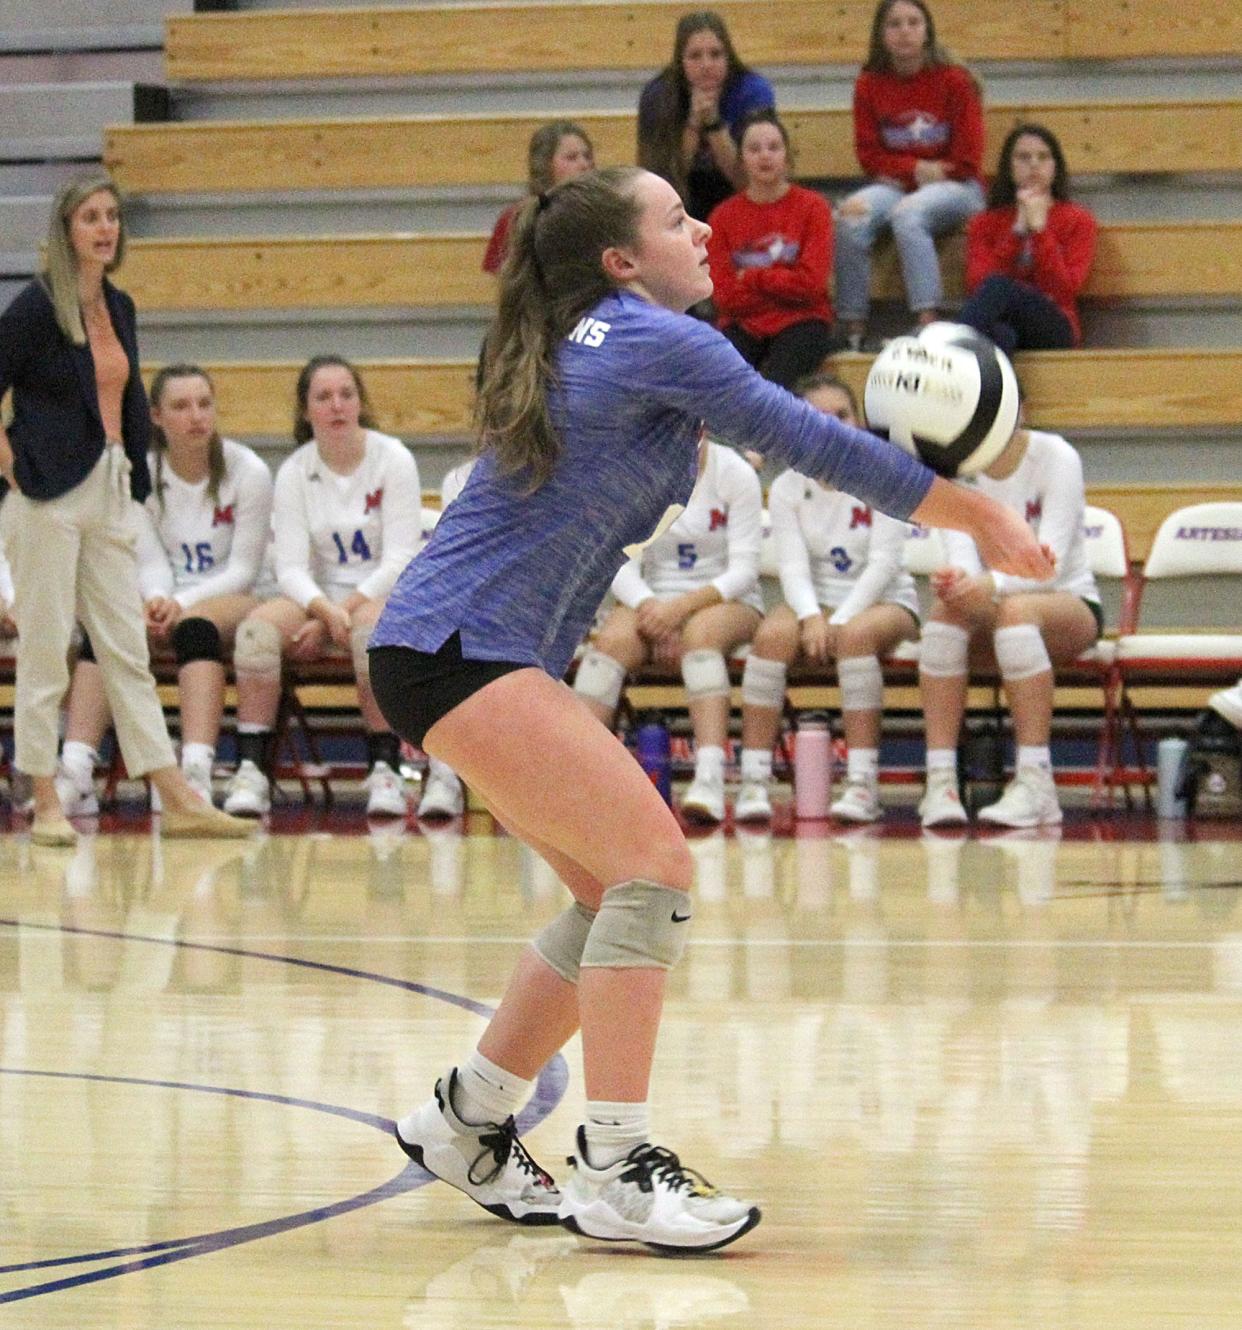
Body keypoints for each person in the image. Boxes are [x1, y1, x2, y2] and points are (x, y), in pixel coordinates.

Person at [364, 164, 1052, 1252]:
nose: (704, 229)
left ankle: (468, 1117)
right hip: (464, 650)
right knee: (656, 869)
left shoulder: (595, 336)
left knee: (610, 898)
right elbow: (812, 442)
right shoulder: (651, 338)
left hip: (449, 650)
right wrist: (974, 509)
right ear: (621, 262)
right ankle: (615, 1164)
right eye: (677, 219)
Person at [0, 174, 253, 845]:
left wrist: (135, 474)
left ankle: (175, 794)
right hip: (47, 493)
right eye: (91, 217)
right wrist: (9, 464)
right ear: (66, 229)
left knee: (125, 645)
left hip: (112, 485)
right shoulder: (33, 309)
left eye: (112, 216)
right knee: (47, 649)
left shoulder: (120, 305)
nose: (106, 228)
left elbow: (125, 397)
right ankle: (44, 797)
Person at [54, 364, 274, 814]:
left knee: (195, 627)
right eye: (181, 406)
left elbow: (244, 569)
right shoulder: (141, 474)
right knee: (109, 628)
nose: (196, 416)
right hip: (167, 594)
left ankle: (194, 768)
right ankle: (76, 769)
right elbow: (149, 559)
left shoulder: (246, 470)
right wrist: (156, 600)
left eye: (204, 404)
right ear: (156, 416)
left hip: (236, 597)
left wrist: (178, 604)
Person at [222, 355, 421, 820]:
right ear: (305, 410)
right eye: (323, 397)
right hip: (316, 597)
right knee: (256, 634)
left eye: (346, 395)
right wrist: (322, 611)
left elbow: (399, 559)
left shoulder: (393, 459)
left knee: (370, 634)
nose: (337, 406)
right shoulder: (294, 471)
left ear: (360, 403)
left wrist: (338, 614)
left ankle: (386, 770)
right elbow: (290, 568)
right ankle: (250, 767)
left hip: (377, 594)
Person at [735, 374, 920, 824]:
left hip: (884, 602)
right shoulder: (786, 487)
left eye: (843, 415)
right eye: (820, 418)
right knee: (772, 635)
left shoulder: (887, 471)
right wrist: (812, 615)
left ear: (858, 420)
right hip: (815, 602)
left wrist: (839, 620)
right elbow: (793, 567)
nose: (835, 425)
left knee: (856, 637)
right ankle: (754, 781)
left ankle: (862, 784)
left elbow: (884, 564)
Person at [917, 415, 1100, 829]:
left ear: (1020, 410)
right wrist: (957, 581)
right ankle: (940, 781)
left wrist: (991, 583)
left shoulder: (1056, 457)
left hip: (1066, 602)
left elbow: (1047, 563)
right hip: (994, 606)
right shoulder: (954, 471)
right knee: (943, 616)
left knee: (1017, 615)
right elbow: (962, 556)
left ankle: (1037, 782)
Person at [573, 436, 763, 824]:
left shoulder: (736, 473)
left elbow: (744, 571)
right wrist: (648, 606)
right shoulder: (631, 473)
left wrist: (679, 611)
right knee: (610, 642)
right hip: (655, 599)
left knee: (702, 635)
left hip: (724, 599)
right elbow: (617, 561)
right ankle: (575, 779)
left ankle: (709, 777)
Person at [834, 0, 985, 349]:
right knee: (850, 216)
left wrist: (915, 171)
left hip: (957, 187)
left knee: (909, 214)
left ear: (927, 30)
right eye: (895, 24)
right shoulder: (869, 84)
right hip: (901, 183)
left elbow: (967, 160)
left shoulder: (955, 81)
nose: (904, 31)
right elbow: (869, 156)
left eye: (913, 22)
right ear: (881, 35)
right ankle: (852, 326)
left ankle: (927, 321)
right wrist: (916, 169)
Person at [705, 111, 836, 390]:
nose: (765, 156)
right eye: (754, 149)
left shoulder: (813, 208)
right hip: (742, 324)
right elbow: (724, 295)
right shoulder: (722, 217)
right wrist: (784, 285)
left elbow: (811, 285)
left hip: (803, 322)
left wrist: (752, 278)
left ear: (787, 156)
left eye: (773, 148)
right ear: (741, 159)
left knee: (777, 389)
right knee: (724, 385)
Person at [960, 122, 1097, 355]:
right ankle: (1014, 392)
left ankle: (948, 346)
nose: (1034, 164)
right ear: (1009, 167)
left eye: (1043, 157)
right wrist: (1017, 231)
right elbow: (978, 287)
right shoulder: (985, 222)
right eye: (1023, 157)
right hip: (1002, 322)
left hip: (1055, 324)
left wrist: (1040, 232)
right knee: (1001, 335)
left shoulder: (1078, 220)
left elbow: (1064, 290)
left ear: (1055, 167)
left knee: (999, 287)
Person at [637, 11, 775, 225]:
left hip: (741, 202)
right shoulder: (659, 95)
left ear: (728, 57)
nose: (706, 65)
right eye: (695, 56)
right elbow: (663, 182)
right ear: (680, 61)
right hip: (680, 203)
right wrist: (693, 122)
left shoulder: (753, 92)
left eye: (716, 54)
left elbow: (753, 183)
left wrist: (713, 124)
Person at [483, 122, 596, 276]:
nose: (584, 164)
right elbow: (502, 283)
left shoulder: (602, 215)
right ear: (545, 164)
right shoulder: (516, 218)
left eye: (587, 156)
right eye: (571, 158)